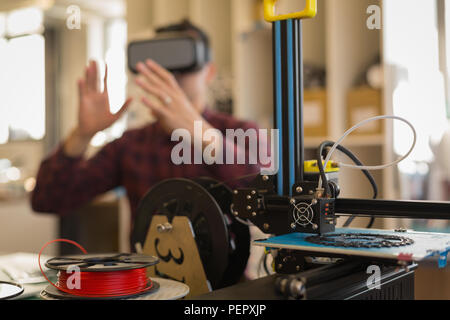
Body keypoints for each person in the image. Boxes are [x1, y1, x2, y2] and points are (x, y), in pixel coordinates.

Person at [31, 20, 262, 230]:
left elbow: (267, 203)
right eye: (163, 63)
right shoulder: (131, 145)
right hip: (148, 276)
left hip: (231, 277)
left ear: (209, 71)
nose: (171, 76)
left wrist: (202, 134)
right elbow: (47, 200)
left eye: (184, 61)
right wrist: (82, 134)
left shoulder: (239, 132)